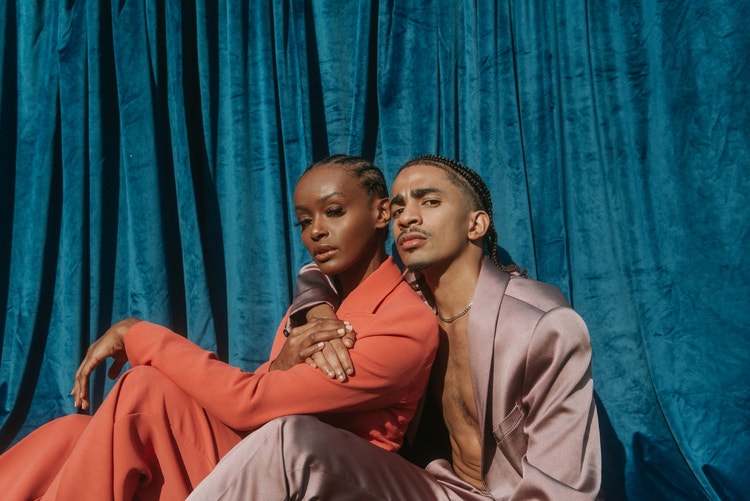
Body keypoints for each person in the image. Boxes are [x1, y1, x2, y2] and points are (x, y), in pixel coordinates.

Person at [0, 155, 438, 500]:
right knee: (71, 434)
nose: (317, 232)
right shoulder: (313, 307)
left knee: (145, 393)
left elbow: (249, 406)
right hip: (256, 449)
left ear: (383, 213)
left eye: (334, 212)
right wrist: (281, 366)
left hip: (304, 480)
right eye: (304, 221)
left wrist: (138, 333)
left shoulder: (404, 326)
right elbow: (270, 399)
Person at [187, 155, 601, 500]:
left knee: (287, 439)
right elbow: (318, 270)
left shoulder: (543, 328)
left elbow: (564, 485)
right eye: (399, 207)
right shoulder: (410, 302)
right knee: (290, 440)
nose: (407, 218)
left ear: (476, 225)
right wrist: (318, 313)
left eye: (430, 202)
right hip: (437, 488)